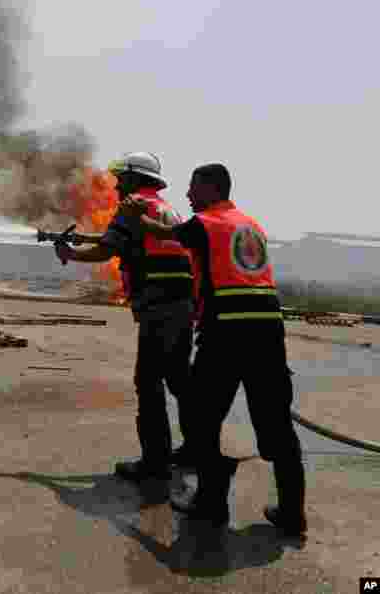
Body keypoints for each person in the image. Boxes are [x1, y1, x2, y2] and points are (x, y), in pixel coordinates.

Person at [119, 162, 307, 537]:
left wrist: (135, 213)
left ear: (211, 188)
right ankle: (292, 513)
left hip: (226, 332)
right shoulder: (251, 224)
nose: (188, 195)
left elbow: (164, 232)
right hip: (268, 333)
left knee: (201, 419)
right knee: (277, 426)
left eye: (193, 187)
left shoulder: (208, 223)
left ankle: (211, 503)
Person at [55, 152, 196, 483]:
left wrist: (70, 253)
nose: (117, 186)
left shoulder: (133, 205)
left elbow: (107, 249)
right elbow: (129, 242)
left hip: (157, 308)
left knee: (148, 382)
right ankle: (195, 449)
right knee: (179, 380)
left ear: (135, 180)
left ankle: (155, 462)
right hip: (182, 306)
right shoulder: (166, 209)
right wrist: (90, 239)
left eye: (122, 179)